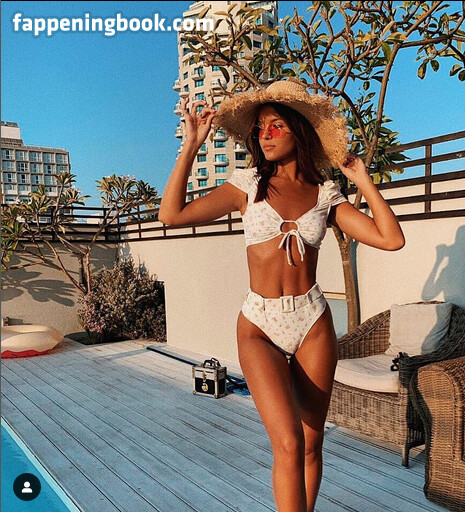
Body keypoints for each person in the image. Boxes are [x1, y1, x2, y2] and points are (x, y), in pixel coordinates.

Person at [158, 79, 405, 512]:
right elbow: (171, 214)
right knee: (288, 442)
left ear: (298, 130)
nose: (264, 134)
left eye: (275, 126)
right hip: (260, 324)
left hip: (312, 322)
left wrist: (363, 181)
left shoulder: (325, 195)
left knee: (311, 442)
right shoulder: (248, 185)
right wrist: (192, 145)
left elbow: (391, 239)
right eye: (260, 128)